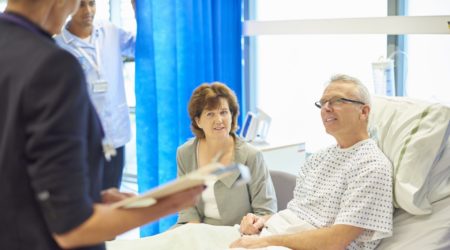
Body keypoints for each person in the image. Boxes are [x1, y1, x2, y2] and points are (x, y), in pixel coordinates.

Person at [0, 1, 203, 250]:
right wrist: (168, 203)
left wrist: (86, 198)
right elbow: (73, 229)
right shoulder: (53, 66)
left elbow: (14, 165)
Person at [231, 74, 393, 250]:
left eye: (337, 101)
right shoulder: (317, 159)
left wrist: (265, 241)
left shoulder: (372, 166)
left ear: (364, 112)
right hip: (273, 235)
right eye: (323, 103)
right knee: (200, 236)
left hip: (295, 245)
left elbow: (336, 241)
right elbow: (297, 214)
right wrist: (260, 221)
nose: (326, 108)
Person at [54, 0, 136, 190]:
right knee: (88, 198)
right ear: (70, 7)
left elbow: (140, 47)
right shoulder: (57, 45)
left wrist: (138, 10)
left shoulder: (110, 32)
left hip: (115, 134)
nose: (88, 10)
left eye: (91, 4)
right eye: (81, 5)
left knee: (113, 194)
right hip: (82, 138)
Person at [176, 82, 277, 226]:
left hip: (237, 232)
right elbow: (187, 207)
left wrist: (252, 225)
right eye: (210, 114)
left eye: (223, 112)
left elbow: (266, 211)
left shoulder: (251, 156)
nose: (219, 120)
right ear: (198, 121)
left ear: (232, 116)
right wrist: (196, 235)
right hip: (197, 228)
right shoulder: (185, 153)